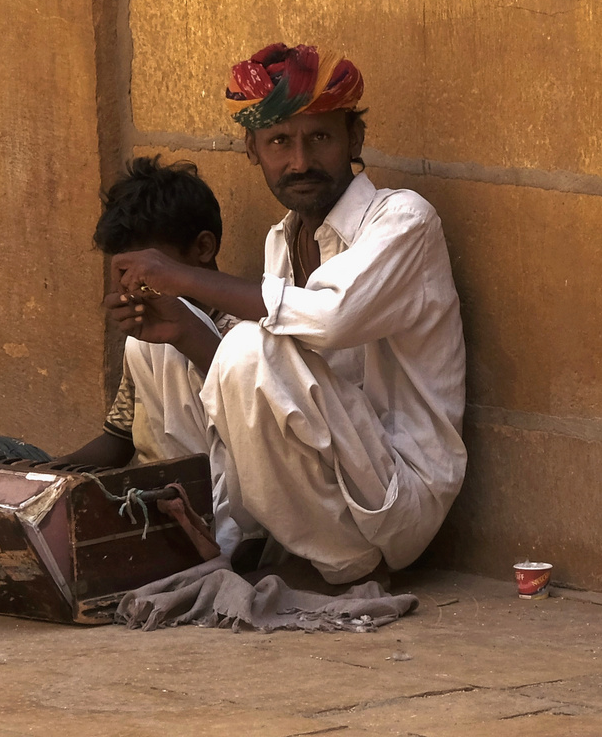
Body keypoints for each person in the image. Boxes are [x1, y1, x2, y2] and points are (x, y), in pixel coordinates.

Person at [110, 43, 467, 588]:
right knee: (161, 341)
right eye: (279, 141)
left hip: (396, 501)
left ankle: (341, 565)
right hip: (332, 478)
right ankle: (222, 540)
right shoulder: (284, 239)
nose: (299, 161)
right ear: (252, 149)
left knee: (244, 347)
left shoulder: (403, 221)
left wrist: (181, 276)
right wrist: (181, 329)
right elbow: (282, 389)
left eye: (319, 137)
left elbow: (332, 319)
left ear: (355, 139)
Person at [65, 157, 232, 470]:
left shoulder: (240, 337)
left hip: (203, 504)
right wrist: (50, 475)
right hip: (145, 491)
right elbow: (118, 439)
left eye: (148, 269)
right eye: (125, 270)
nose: (131, 284)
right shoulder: (145, 337)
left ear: (203, 248)